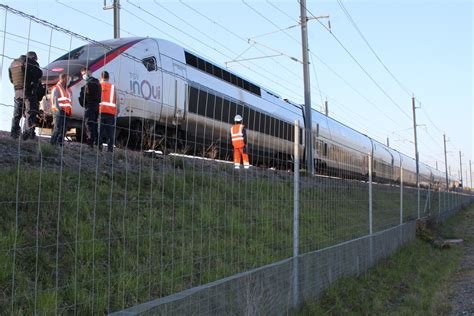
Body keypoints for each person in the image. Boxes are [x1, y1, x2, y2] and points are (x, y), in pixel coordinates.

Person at [8, 51, 43, 140]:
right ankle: (27, 135)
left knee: (17, 114)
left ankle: (14, 134)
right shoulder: (30, 63)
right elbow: (40, 74)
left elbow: (11, 79)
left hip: (17, 91)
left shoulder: (13, 64)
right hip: (28, 92)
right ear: (33, 58)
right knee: (30, 113)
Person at [79, 67, 101, 148]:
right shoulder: (97, 82)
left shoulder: (89, 84)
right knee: (94, 124)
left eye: (84, 74)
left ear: (88, 72)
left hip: (90, 106)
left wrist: (84, 103)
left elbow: (84, 97)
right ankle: (98, 143)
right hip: (96, 106)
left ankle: (90, 142)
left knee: (88, 124)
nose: (83, 76)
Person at [49, 73, 72, 146]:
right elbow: (54, 101)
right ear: (63, 79)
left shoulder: (67, 89)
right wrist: (58, 110)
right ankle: (52, 144)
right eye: (67, 79)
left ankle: (60, 144)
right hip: (59, 111)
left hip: (66, 112)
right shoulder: (56, 88)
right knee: (57, 128)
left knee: (64, 129)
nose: (68, 81)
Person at [98, 71, 117, 152]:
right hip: (111, 113)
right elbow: (117, 101)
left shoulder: (98, 85)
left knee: (100, 132)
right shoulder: (113, 87)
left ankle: (99, 148)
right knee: (110, 133)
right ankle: (110, 149)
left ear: (101, 77)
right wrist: (116, 113)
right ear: (108, 77)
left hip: (100, 112)